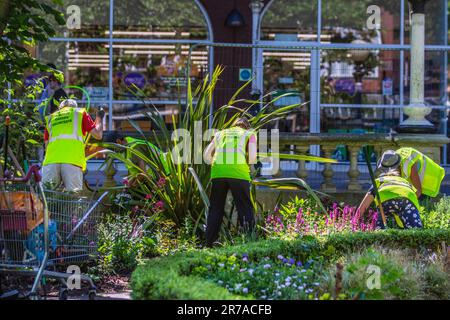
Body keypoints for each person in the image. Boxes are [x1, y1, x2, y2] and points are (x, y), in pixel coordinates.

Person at [203, 117, 258, 247]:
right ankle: (249, 242)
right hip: (238, 172)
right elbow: (252, 157)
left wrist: (219, 165)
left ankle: (209, 243)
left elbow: (206, 155)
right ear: (247, 126)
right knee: (245, 208)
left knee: (215, 208)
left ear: (233, 125)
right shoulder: (249, 133)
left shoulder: (220, 133)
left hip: (218, 172)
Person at [42, 99, 104, 192]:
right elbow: (98, 135)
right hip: (72, 161)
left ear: (60, 109)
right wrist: (99, 117)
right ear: (74, 107)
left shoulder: (51, 118)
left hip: (51, 162)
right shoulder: (79, 113)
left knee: (49, 198)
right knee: (73, 199)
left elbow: (47, 146)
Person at [358, 150, 423, 229]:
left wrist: (354, 222)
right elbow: (415, 194)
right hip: (407, 200)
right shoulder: (404, 182)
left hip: (384, 201)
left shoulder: (379, 181)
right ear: (398, 166)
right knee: (416, 232)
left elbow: (363, 206)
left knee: (379, 232)